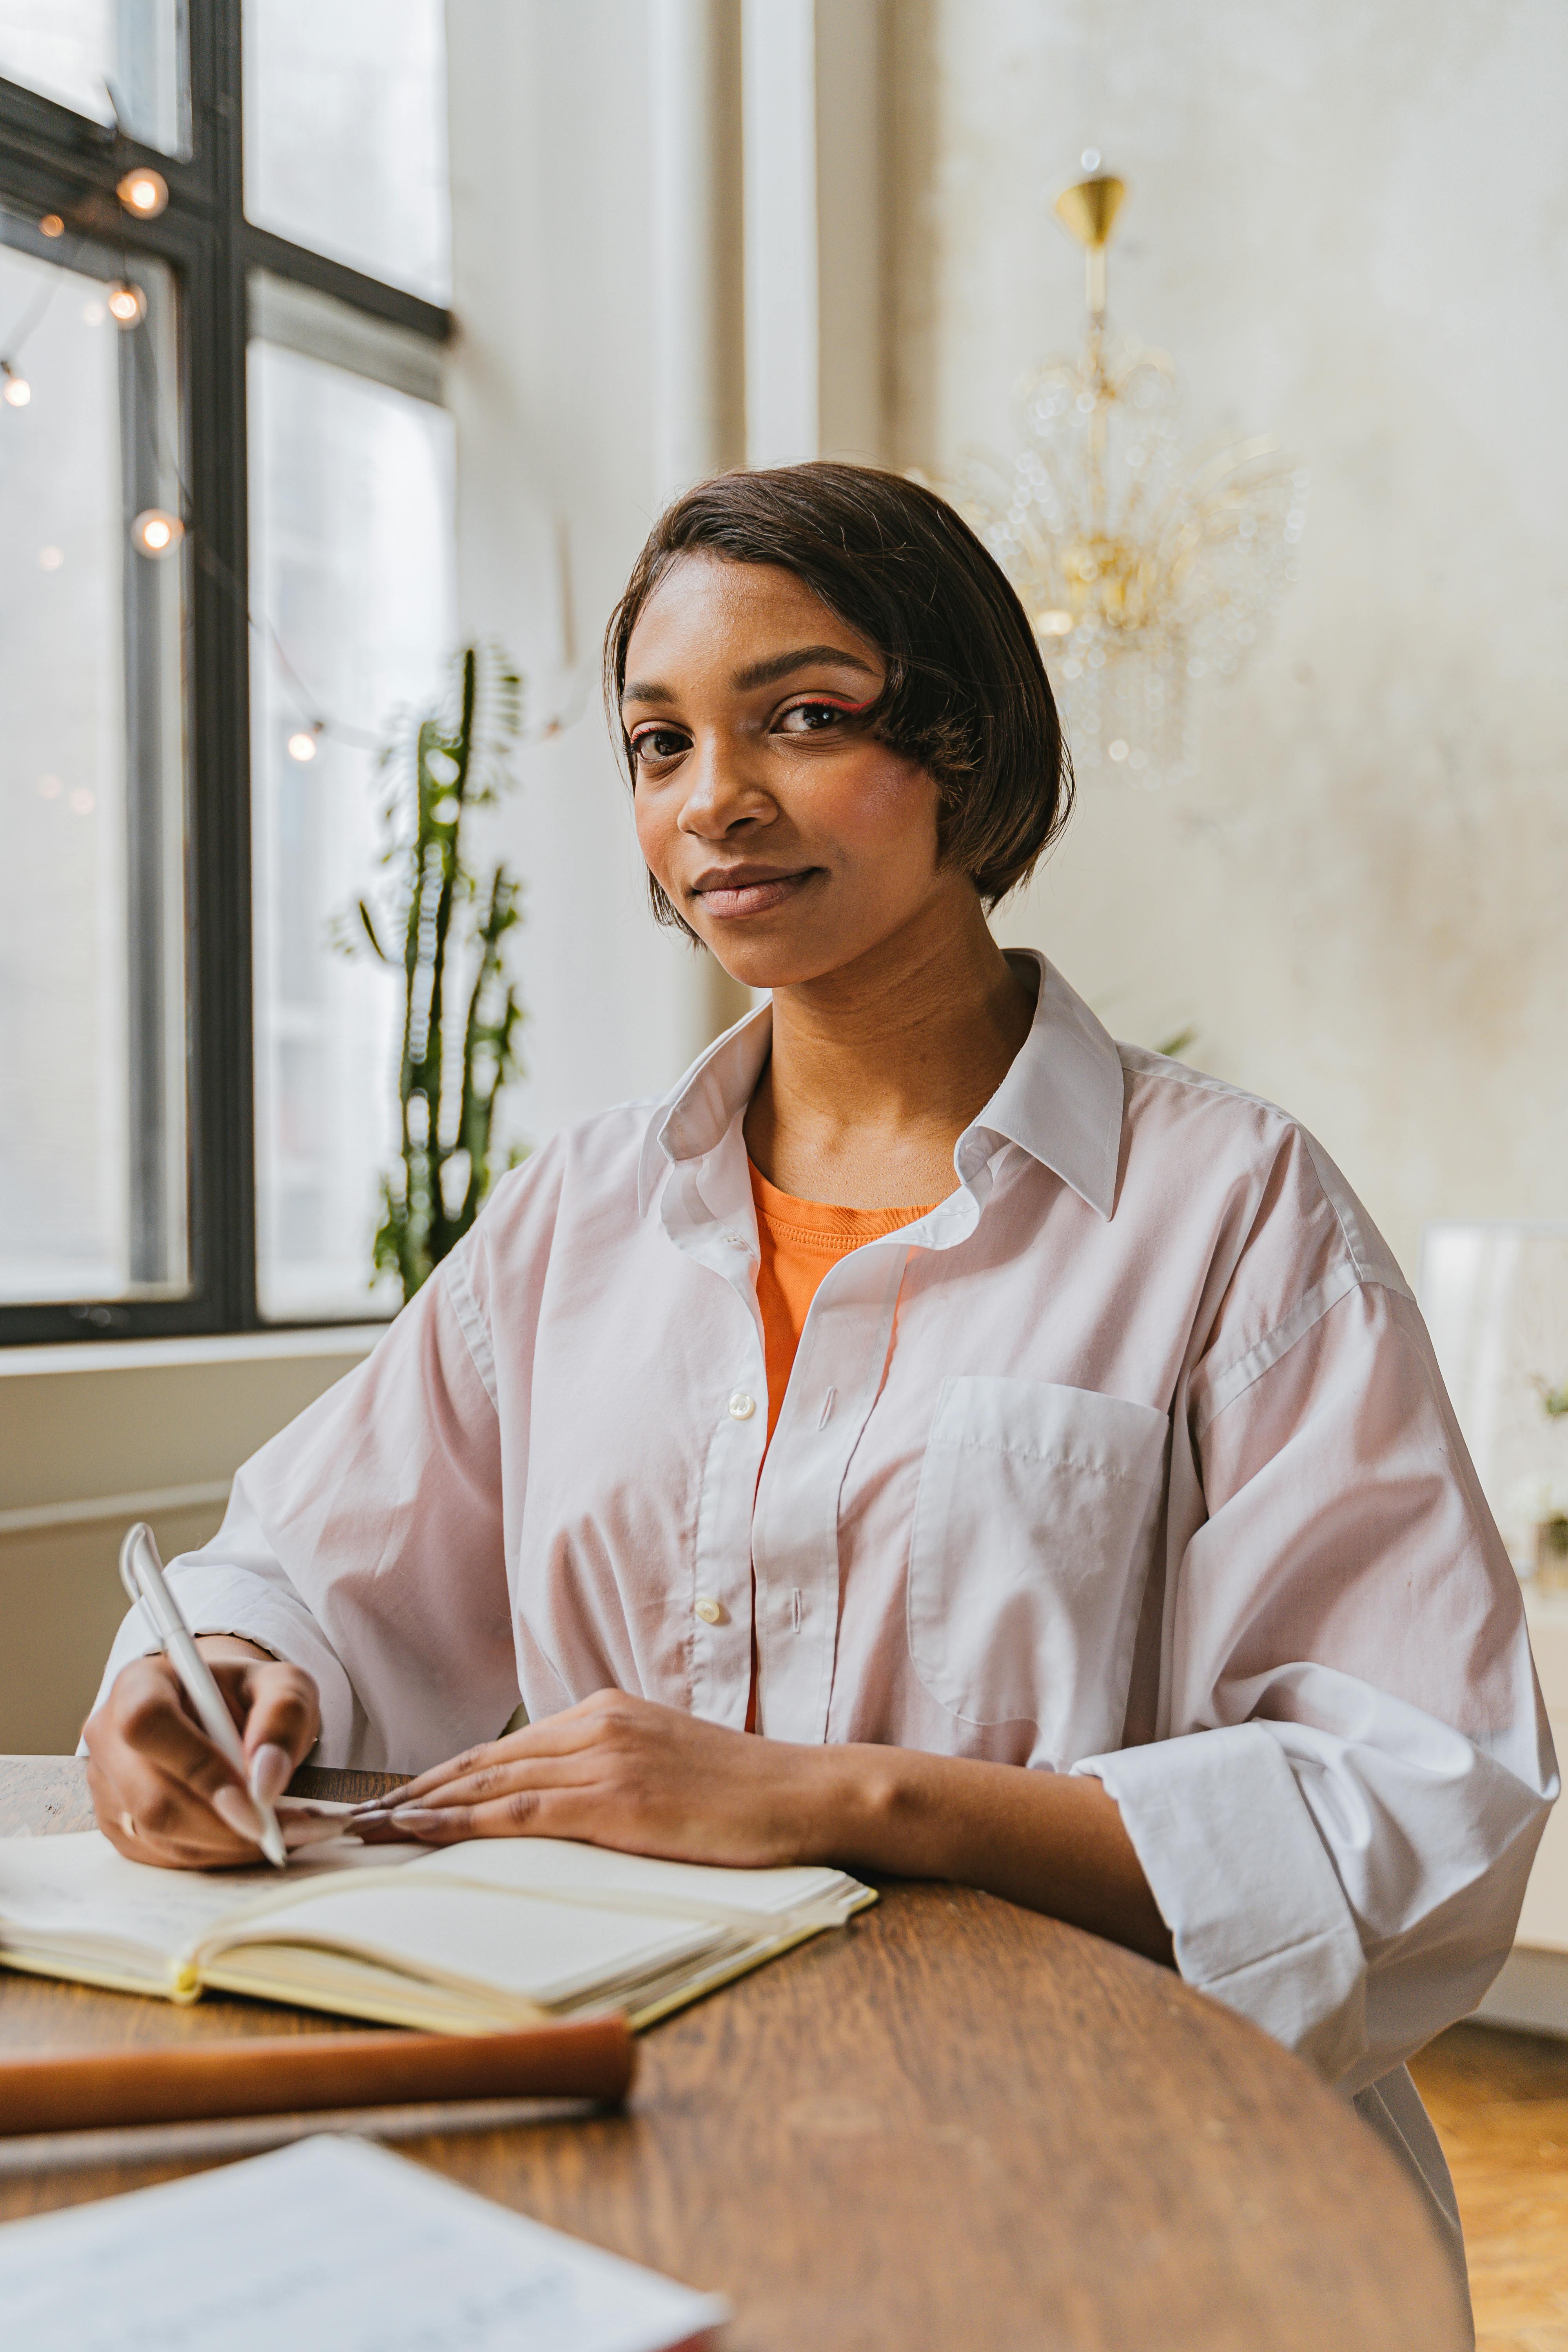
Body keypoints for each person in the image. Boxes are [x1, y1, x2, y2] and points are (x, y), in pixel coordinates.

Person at [84, 463, 1553, 2294]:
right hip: (630, 2137)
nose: (716, 802)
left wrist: (836, 1795)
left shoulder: (1232, 1210)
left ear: (964, 741)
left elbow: (1419, 1792)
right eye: (657, 742)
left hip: (1115, 2178)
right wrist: (219, 1669)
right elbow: (309, 1562)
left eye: (803, 717)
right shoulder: (580, 1213)